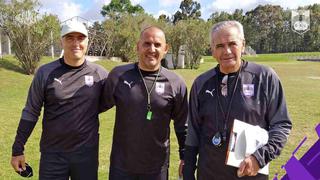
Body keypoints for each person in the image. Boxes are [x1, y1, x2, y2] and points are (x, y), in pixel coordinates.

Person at [183, 20, 292, 180]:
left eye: (232, 44)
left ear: (243, 45)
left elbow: (281, 125)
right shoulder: (201, 83)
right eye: (219, 46)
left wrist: (260, 157)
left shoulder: (265, 77)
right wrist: (188, 173)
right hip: (209, 174)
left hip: (250, 174)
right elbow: (193, 132)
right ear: (212, 50)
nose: (226, 51)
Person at [11, 20, 108, 179]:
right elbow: (31, 111)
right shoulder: (45, 72)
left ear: (87, 42)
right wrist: (17, 149)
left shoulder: (100, 74)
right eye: (70, 38)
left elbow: (112, 101)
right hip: (53, 154)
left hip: (86, 155)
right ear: (61, 41)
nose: (76, 43)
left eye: (80, 38)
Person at [102, 26, 188, 180]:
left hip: (156, 167)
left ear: (166, 49)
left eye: (157, 45)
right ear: (138, 46)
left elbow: (182, 124)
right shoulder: (118, 75)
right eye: (147, 44)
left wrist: (185, 156)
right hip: (122, 165)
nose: (152, 49)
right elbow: (95, 105)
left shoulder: (176, 83)